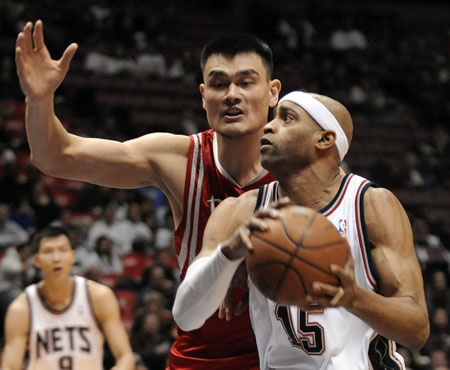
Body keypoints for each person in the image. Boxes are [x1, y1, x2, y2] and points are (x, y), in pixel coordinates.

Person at [16, 20, 281, 369]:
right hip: (198, 360)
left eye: (246, 82)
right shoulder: (178, 159)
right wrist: (40, 98)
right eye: (219, 84)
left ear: (273, 91)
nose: (232, 94)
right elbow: (55, 157)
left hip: (281, 359)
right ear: (203, 97)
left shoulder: (300, 167)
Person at [172, 91, 430, 369]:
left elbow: (417, 331)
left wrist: (357, 298)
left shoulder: (370, 205)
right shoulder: (241, 213)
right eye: (273, 118)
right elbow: (186, 316)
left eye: (287, 118)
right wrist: (226, 256)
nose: (269, 126)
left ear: (324, 139)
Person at [1, 225, 135, 370]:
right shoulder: (22, 308)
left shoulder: (99, 297)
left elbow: (125, 356)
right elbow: (9, 366)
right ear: (37, 261)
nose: (56, 258)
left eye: (62, 250)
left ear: (72, 256)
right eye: (48, 252)